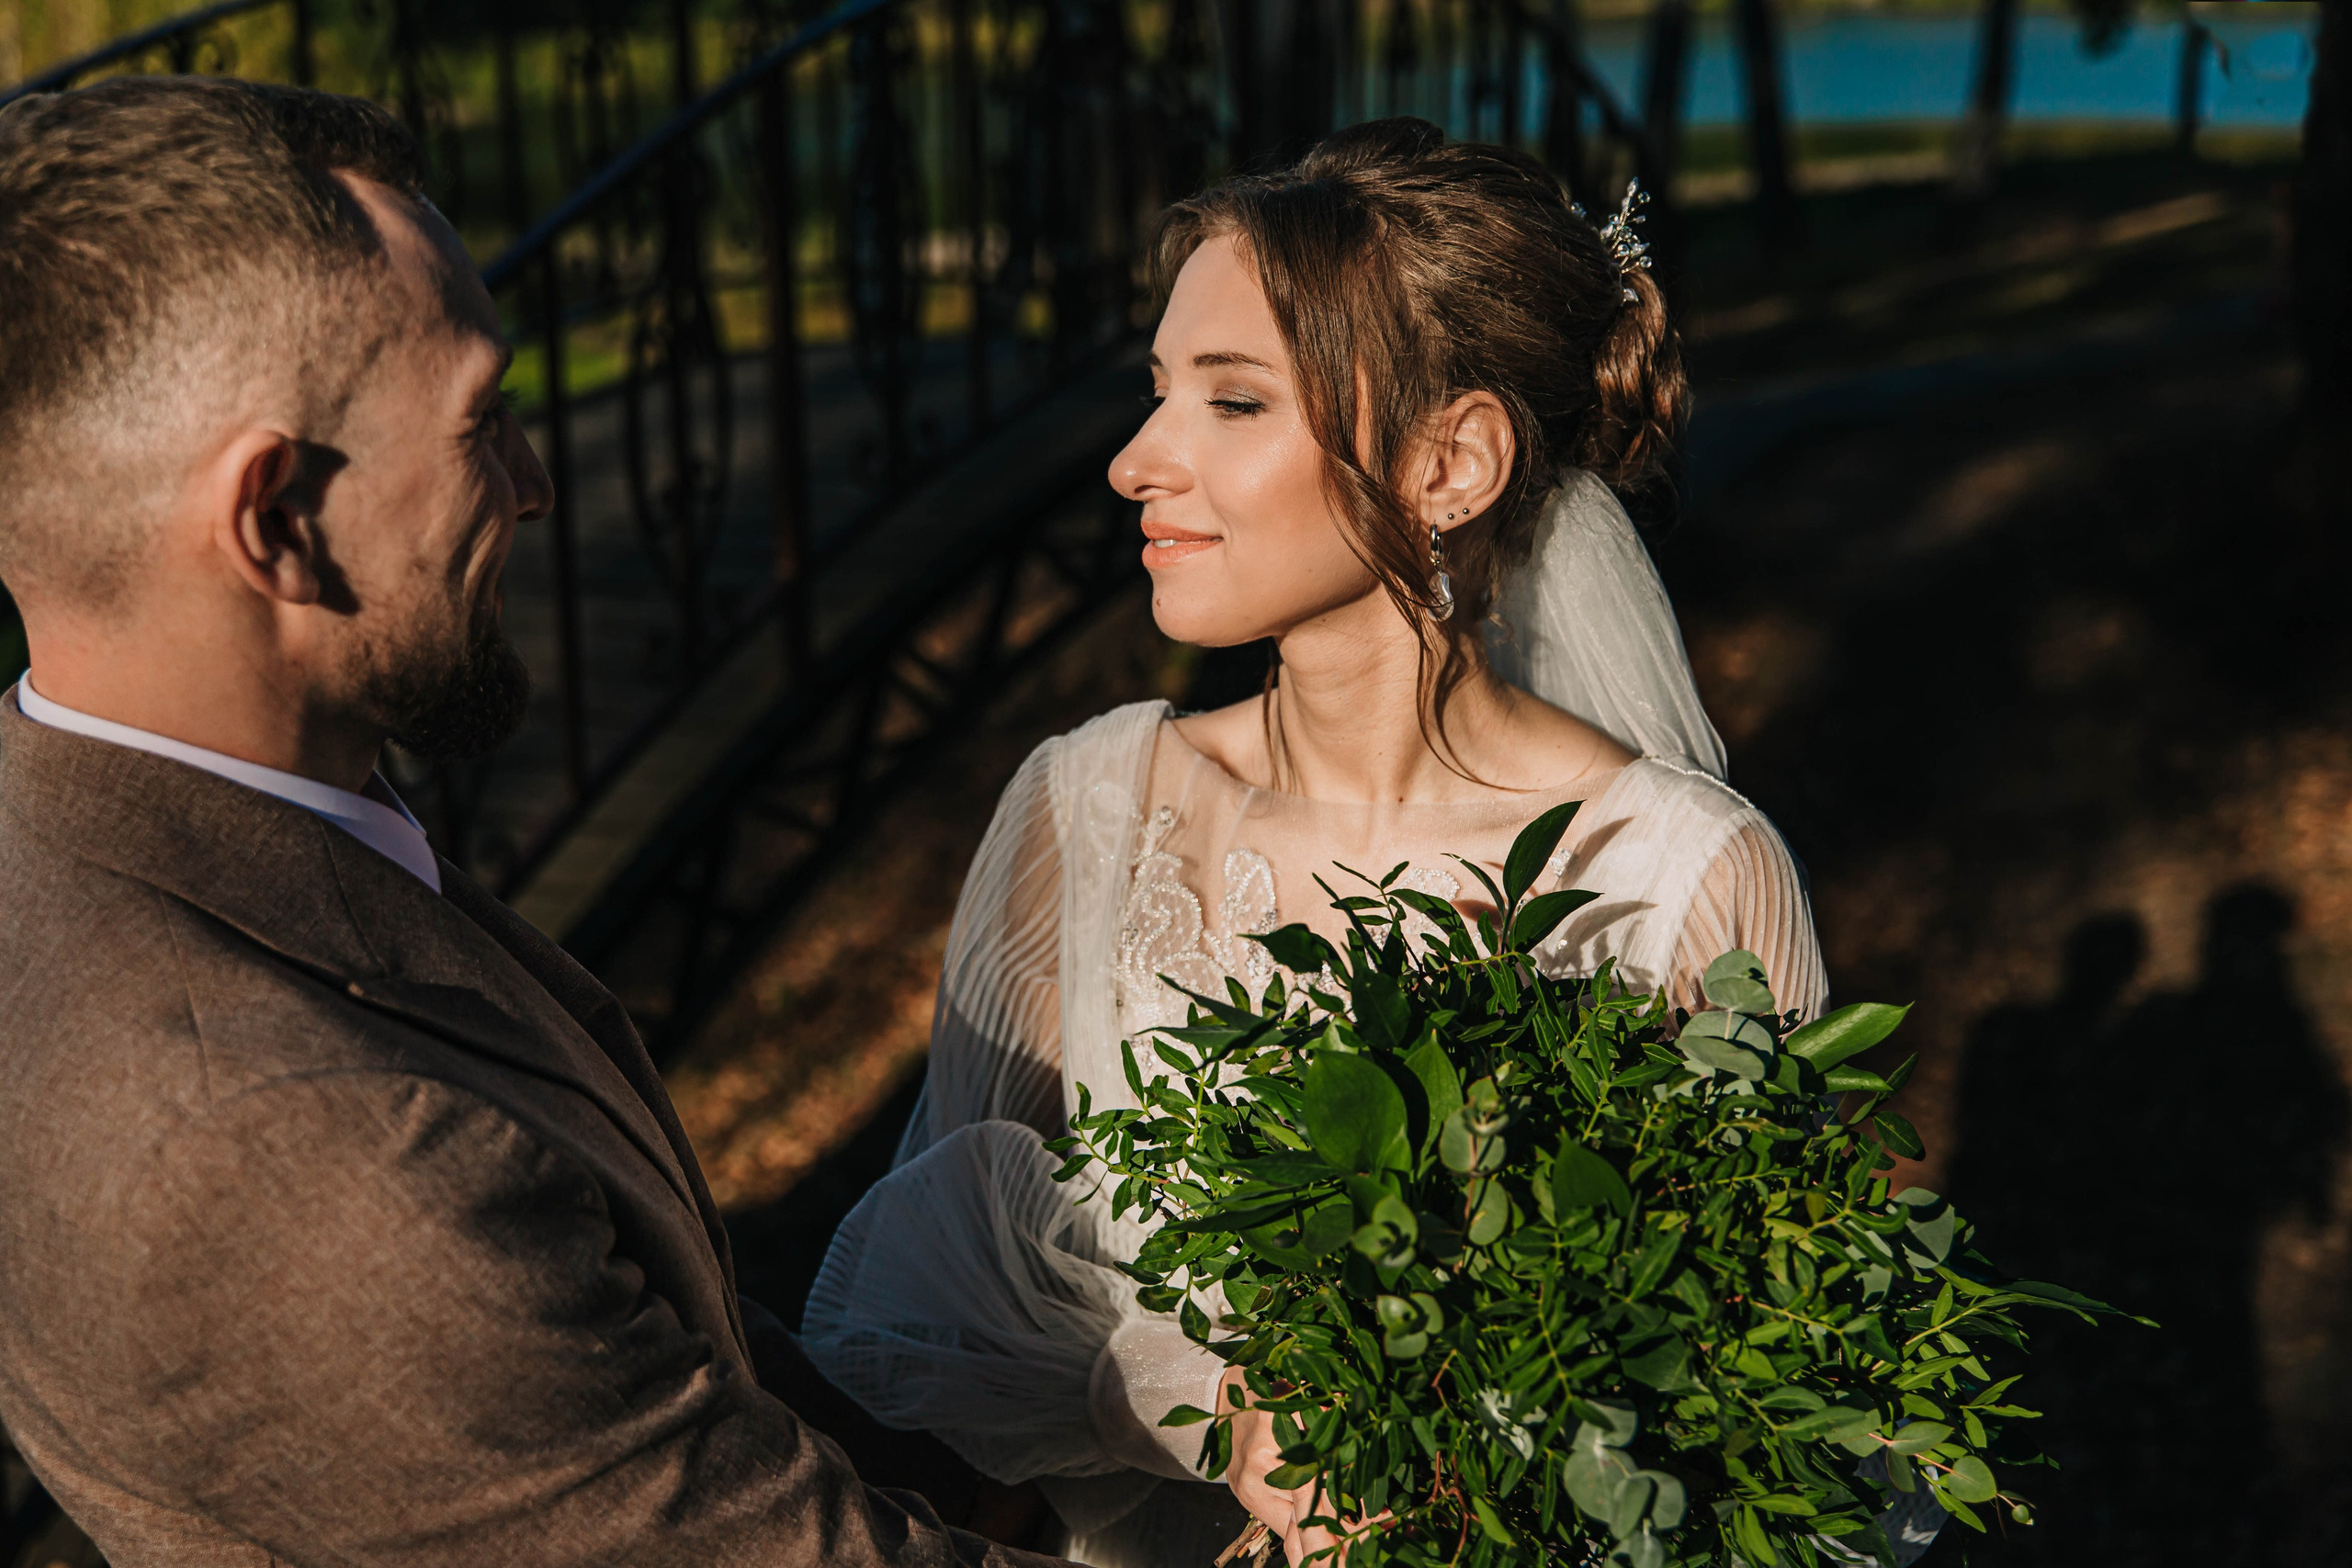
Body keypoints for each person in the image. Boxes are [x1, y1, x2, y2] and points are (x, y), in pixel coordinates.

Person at [0, 76, 1061, 1568]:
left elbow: (641, 1356)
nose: (539, 484)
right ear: (279, 521)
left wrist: (1012, 1494)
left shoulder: (103, 817)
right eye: (484, 421)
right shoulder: (299, 1155)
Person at [800, 120, 1834, 1567]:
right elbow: (936, 1328)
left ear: (1451, 462)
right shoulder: (1084, 814)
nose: (1135, 462)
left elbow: (1793, 1412)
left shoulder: (1683, 880)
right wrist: (1220, 1405)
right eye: (1157, 392)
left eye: (1232, 402)